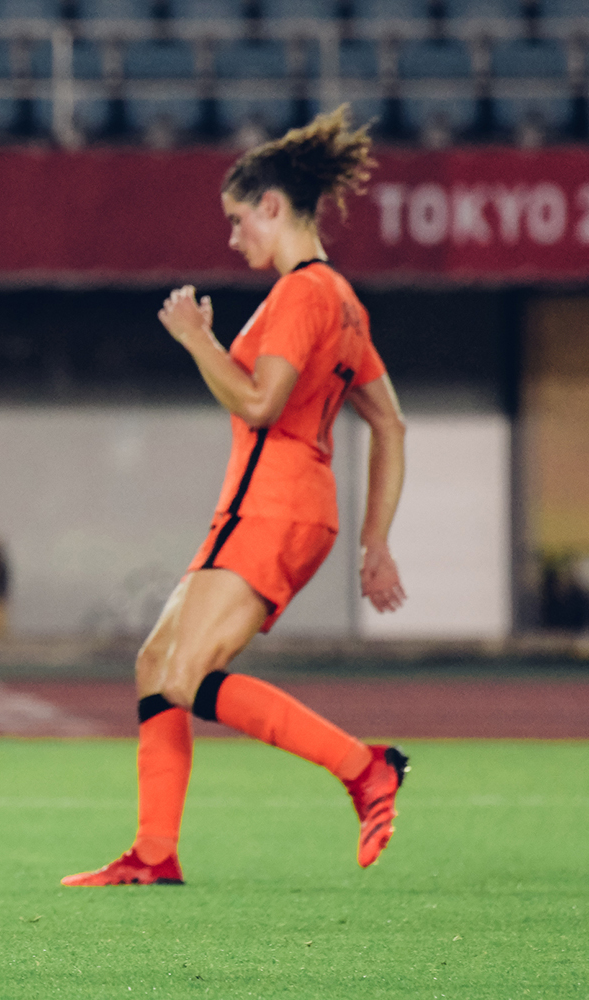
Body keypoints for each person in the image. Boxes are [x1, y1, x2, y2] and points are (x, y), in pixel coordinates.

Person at [61, 107, 409, 888]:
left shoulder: (302, 295)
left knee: (185, 675)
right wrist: (373, 539)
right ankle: (154, 853)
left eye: (237, 219)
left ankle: (367, 769)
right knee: (157, 663)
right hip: (273, 507)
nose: (233, 238)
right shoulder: (342, 301)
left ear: (274, 206)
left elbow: (259, 402)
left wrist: (196, 340)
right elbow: (390, 422)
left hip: (273, 505)